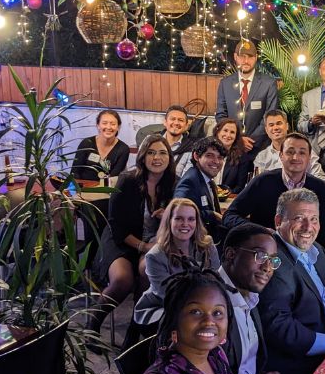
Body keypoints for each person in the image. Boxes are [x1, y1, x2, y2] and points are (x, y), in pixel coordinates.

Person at [257, 188, 325, 374]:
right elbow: (278, 325)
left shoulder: (317, 249)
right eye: (299, 218)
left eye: (314, 219)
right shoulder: (273, 262)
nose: (308, 227)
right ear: (278, 221)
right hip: (301, 366)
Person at [89, 135, 177, 334]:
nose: (157, 158)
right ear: (142, 157)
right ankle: (93, 325)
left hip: (153, 241)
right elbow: (115, 224)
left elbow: (181, 219)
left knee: (148, 271)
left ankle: (135, 329)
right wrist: (141, 246)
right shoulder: (127, 180)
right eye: (151, 153)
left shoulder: (174, 183)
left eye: (162, 153)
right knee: (122, 279)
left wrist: (168, 215)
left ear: (169, 158)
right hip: (121, 239)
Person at [223, 133, 325, 261]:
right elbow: (230, 215)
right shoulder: (262, 182)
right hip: (266, 255)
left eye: (302, 153)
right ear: (281, 155)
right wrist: (258, 230)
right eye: (290, 152)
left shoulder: (320, 187)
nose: (296, 157)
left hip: (307, 255)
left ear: (309, 158)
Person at [218, 223, 292, 374]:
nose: (268, 267)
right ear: (231, 254)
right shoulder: (211, 306)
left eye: (273, 260)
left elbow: (243, 361)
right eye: (260, 256)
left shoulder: (249, 296)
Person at [134, 198, 221, 325]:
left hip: (201, 305)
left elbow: (216, 282)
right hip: (162, 308)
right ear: (169, 221)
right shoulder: (155, 256)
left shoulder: (207, 245)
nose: (185, 224)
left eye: (191, 219)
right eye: (179, 219)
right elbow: (170, 296)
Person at [215, 40, 279, 152]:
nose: (246, 61)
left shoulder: (269, 83)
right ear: (235, 57)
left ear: (256, 57)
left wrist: (251, 141)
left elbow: (270, 116)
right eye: (242, 56)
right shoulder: (225, 83)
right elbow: (221, 115)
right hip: (232, 147)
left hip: (259, 147)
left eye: (250, 57)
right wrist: (237, 139)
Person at [173, 137, 227, 241]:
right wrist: (212, 214)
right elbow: (179, 212)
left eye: (220, 157)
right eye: (209, 155)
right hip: (195, 242)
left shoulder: (206, 179)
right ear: (196, 156)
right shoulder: (189, 181)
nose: (216, 161)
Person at [254, 109, 325, 179]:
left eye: (279, 123)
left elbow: (320, 178)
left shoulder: (304, 150)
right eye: (271, 125)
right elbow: (257, 184)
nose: (275, 128)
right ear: (266, 130)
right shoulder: (262, 157)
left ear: (287, 126)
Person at [71, 110, 130, 181]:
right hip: (83, 186)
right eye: (104, 123)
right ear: (98, 125)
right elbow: (74, 173)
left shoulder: (123, 149)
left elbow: (114, 178)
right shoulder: (87, 143)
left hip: (108, 187)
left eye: (113, 124)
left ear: (118, 127)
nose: (108, 127)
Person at [214, 118, 256, 193]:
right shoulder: (206, 153)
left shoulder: (242, 158)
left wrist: (224, 194)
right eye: (225, 130)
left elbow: (240, 187)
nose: (228, 135)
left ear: (236, 137)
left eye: (232, 132)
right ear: (218, 132)